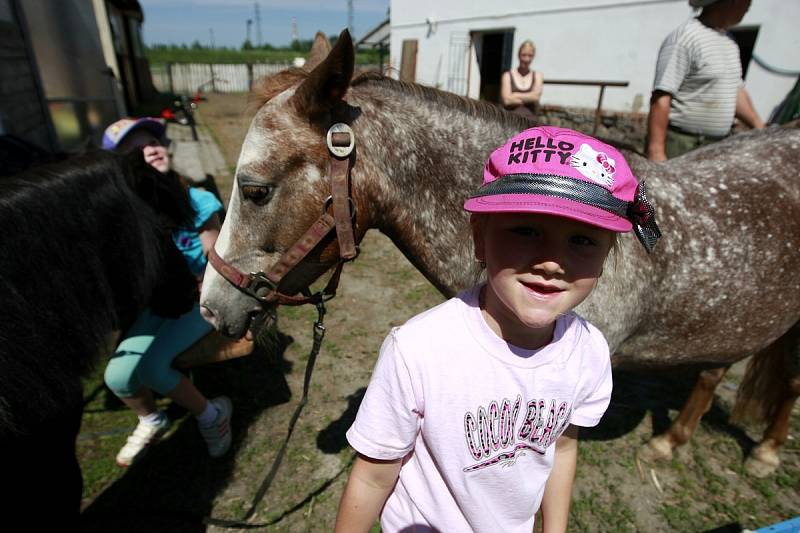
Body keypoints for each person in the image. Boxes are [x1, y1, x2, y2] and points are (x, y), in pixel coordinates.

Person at [335, 126, 662, 532]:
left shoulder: (589, 352)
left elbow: (561, 447)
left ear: (607, 256)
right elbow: (372, 476)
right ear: (479, 239)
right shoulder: (419, 350)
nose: (551, 262)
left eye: (581, 240)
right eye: (526, 230)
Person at [101, 117, 233, 467]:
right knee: (115, 377)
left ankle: (212, 415)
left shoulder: (197, 199)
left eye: (153, 142)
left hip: (199, 298)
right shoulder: (130, 214)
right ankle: (151, 418)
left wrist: (208, 298)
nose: (151, 149)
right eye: (137, 149)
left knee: (153, 369)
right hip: (161, 302)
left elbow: (215, 263)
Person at [646, 0, 764, 161]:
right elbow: (662, 96)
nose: (749, 6)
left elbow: (734, 90)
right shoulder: (684, 38)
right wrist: (656, 152)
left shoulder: (729, 42)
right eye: (746, 2)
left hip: (717, 145)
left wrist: (760, 128)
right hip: (683, 145)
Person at [500, 40, 544, 120]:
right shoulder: (507, 75)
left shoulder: (538, 76)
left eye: (530, 55)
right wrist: (529, 98)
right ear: (518, 55)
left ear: (533, 56)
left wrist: (515, 95)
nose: (526, 59)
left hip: (531, 123)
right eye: (523, 55)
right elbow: (507, 100)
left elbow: (535, 97)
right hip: (510, 121)